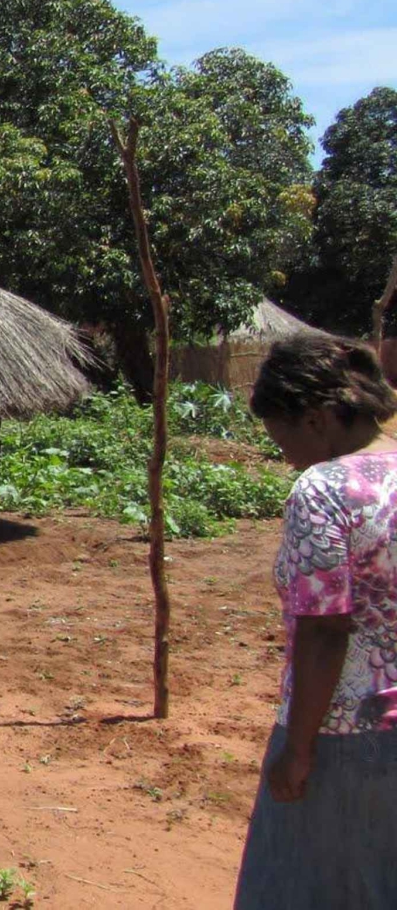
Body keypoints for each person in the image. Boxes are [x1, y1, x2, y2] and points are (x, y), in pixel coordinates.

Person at [236, 334, 397, 909]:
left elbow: (326, 630)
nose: (285, 455)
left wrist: (300, 748)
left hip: (347, 735)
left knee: (298, 886)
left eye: (284, 437)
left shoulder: (325, 490)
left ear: (319, 417)